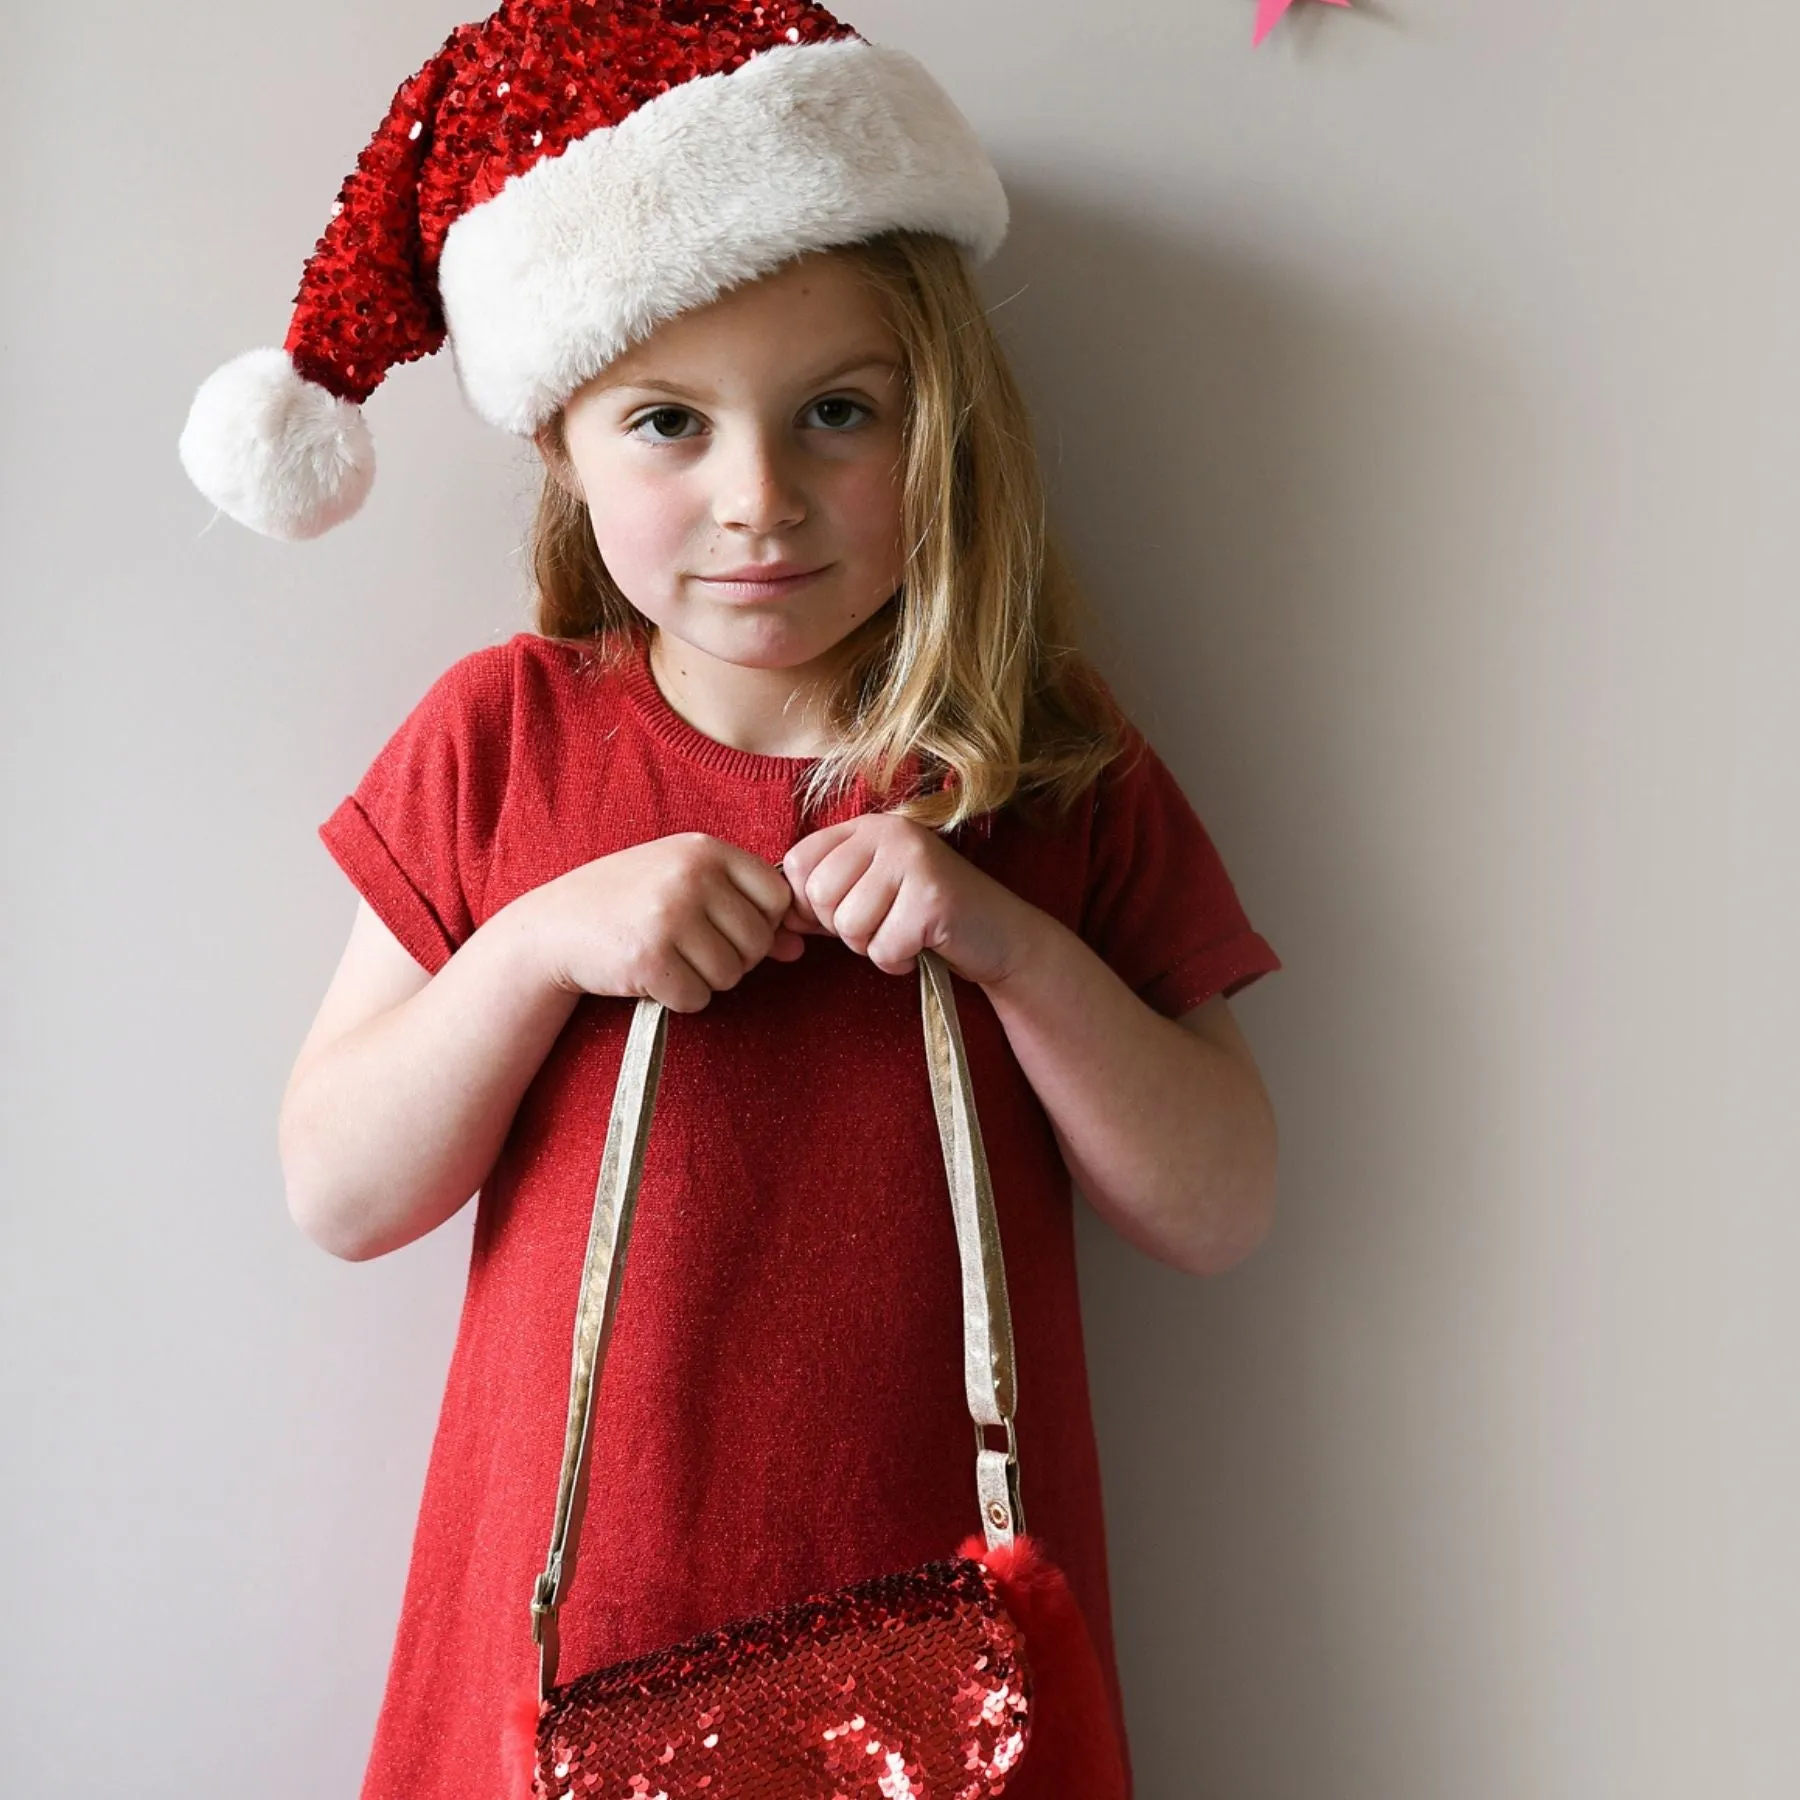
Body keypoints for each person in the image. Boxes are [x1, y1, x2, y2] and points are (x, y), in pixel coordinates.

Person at [179, 5, 1282, 1797]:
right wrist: (540, 946)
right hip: (561, 1648)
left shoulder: (1043, 763)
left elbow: (1222, 1199)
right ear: (562, 449)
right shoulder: (502, 741)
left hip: (940, 1686)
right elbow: (339, 1186)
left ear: (943, 425)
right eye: (669, 423)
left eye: (837, 413)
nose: (757, 500)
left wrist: (1007, 943)